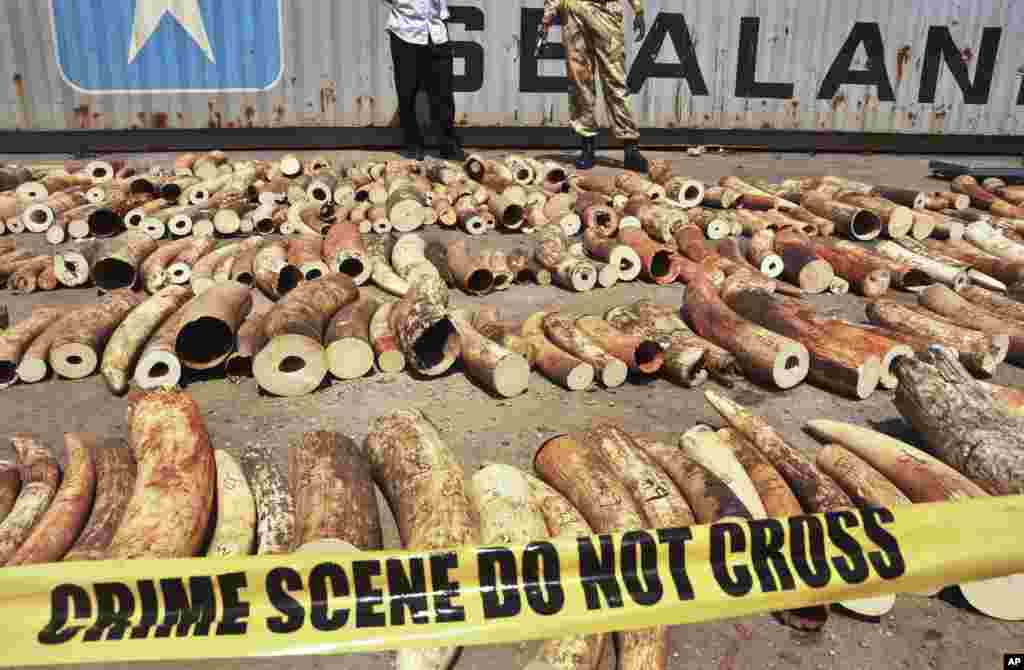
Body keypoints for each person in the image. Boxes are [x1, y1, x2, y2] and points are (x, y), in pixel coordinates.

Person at [539, 0, 648, 172]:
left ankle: (630, 148)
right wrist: (547, 18)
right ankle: (587, 147)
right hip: (574, 15)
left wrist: (638, 9)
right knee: (580, 84)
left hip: (605, 11)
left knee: (616, 81)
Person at [381, 0, 465, 161]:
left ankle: (447, 145)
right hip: (405, 31)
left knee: (443, 92)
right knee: (407, 92)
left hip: (436, 31)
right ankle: (413, 145)